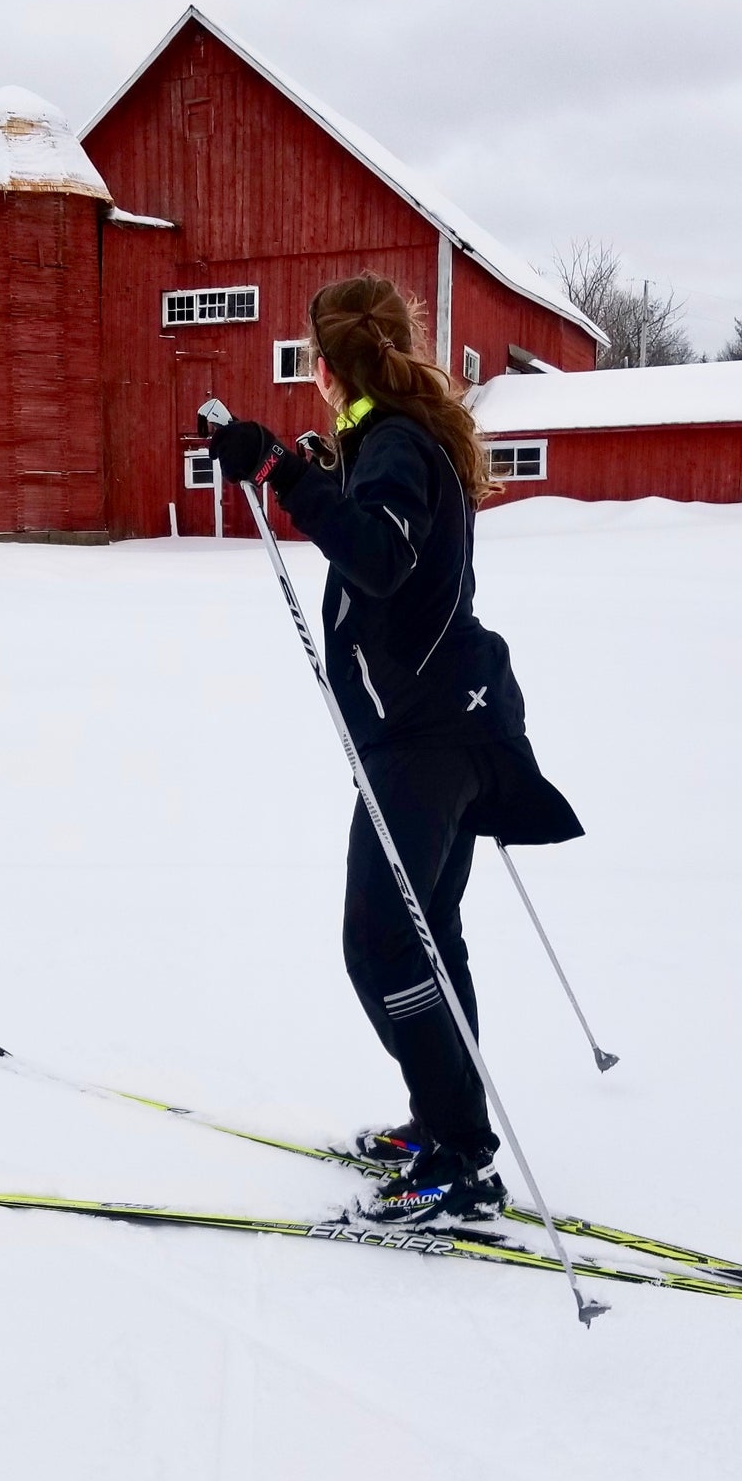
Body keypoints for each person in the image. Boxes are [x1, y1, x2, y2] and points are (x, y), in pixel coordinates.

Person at [207, 273, 582, 1227]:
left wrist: (283, 477)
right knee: (425, 931)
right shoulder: (391, 438)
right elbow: (387, 540)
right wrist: (306, 469)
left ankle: (461, 1159)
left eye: (309, 365)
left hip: (429, 738)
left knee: (381, 942)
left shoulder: (396, 442)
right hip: (445, 724)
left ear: (326, 369)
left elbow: (379, 553)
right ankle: (442, 1124)